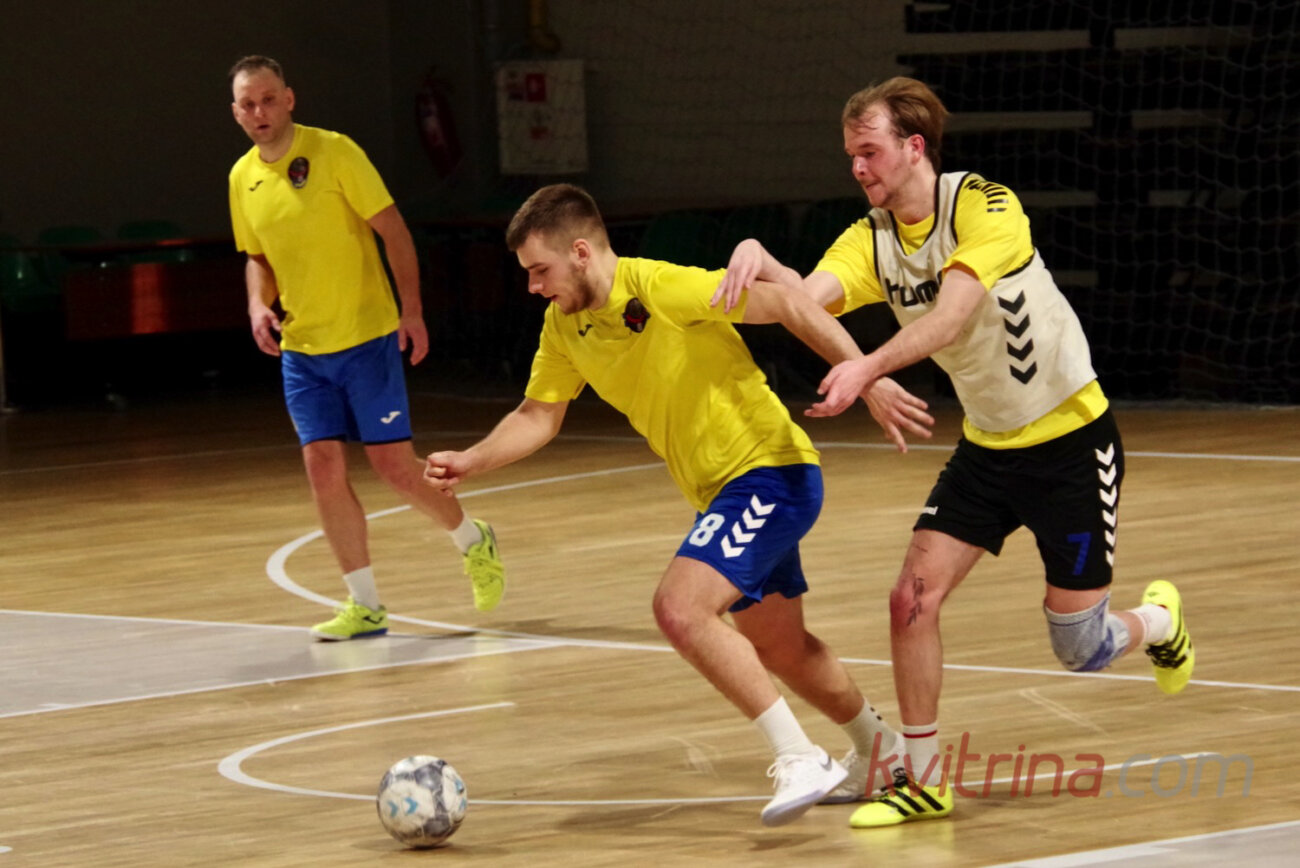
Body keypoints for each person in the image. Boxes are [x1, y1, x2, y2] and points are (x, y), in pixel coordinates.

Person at [714, 76, 1194, 828]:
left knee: (1081, 646)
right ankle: (923, 778)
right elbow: (806, 299)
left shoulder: (984, 206)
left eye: (869, 152)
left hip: (1071, 444)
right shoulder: (871, 237)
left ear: (914, 147)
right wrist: (760, 260)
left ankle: (1160, 622)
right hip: (988, 449)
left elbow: (949, 318)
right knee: (911, 598)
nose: (858, 168)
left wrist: (865, 370)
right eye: (850, 156)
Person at [421, 183, 933, 825]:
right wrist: (472, 459)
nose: (533, 286)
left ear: (580, 252)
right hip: (724, 491)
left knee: (680, 608)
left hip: (769, 472)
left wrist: (867, 376)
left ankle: (799, 756)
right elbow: (538, 415)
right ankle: (882, 751)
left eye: (540, 270)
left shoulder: (661, 287)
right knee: (781, 647)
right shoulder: (565, 325)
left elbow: (785, 302)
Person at [226, 55, 505, 640]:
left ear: (289, 99)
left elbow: (394, 231)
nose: (260, 111)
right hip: (303, 350)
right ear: (236, 113)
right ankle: (365, 604)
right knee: (322, 468)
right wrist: (256, 304)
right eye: (248, 104)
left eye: (269, 99)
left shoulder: (335, 152)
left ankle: (472, 539)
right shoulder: (241, 178)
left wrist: (412, 310)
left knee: (394, 468)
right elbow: (257, 258)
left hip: (366, 338)